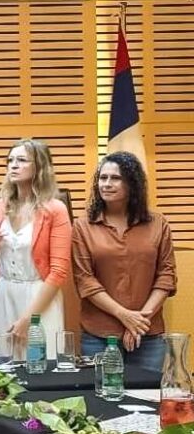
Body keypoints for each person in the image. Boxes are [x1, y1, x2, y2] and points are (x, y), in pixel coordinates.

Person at [73, 151, 176, 371]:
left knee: (146, 392)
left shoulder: (158, 224)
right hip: (99, 335)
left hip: (147, 334)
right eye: (103, 178)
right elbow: (85, 280)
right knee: (102, 391)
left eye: (115, 178)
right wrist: (125, 316)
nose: (106, 184)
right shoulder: (83, 226)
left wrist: (138, 322)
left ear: (132, 184)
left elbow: (166, 277)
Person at [0, 139, 70, 359]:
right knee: (4, 367)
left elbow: (58, 271)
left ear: (40, 167)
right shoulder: (1, 206)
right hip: (4, 295)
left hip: (39, 299)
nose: (13, 165)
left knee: (40, 364)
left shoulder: (55, 210)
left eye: (22, 160)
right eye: (10, 160)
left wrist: (28, 319)